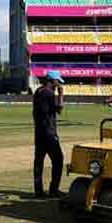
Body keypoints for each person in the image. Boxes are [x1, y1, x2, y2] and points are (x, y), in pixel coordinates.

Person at [32, 70, 65, 198]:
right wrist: (61, 95)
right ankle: (53, 189)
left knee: (38, 162)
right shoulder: (49, 93)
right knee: (58, 160)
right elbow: (59, 109)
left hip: (39, 131)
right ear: (53, 80)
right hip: (49, 132)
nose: (59, 84)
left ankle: (38, 191)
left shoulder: (38, 91)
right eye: (58, 81)